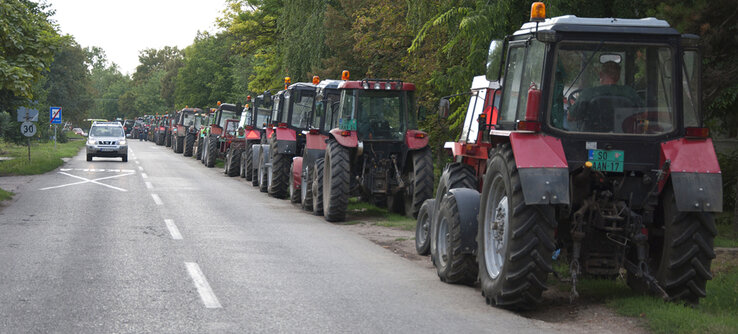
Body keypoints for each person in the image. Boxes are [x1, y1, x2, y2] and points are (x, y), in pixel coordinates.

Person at [566, 61, 641, 131]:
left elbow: (570, 117)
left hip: (590, 139)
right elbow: (644, 113)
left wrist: (574, 106)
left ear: (600, 74)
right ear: (618, 76)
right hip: (623, 139)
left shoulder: (588, 93)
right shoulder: (630, 92)